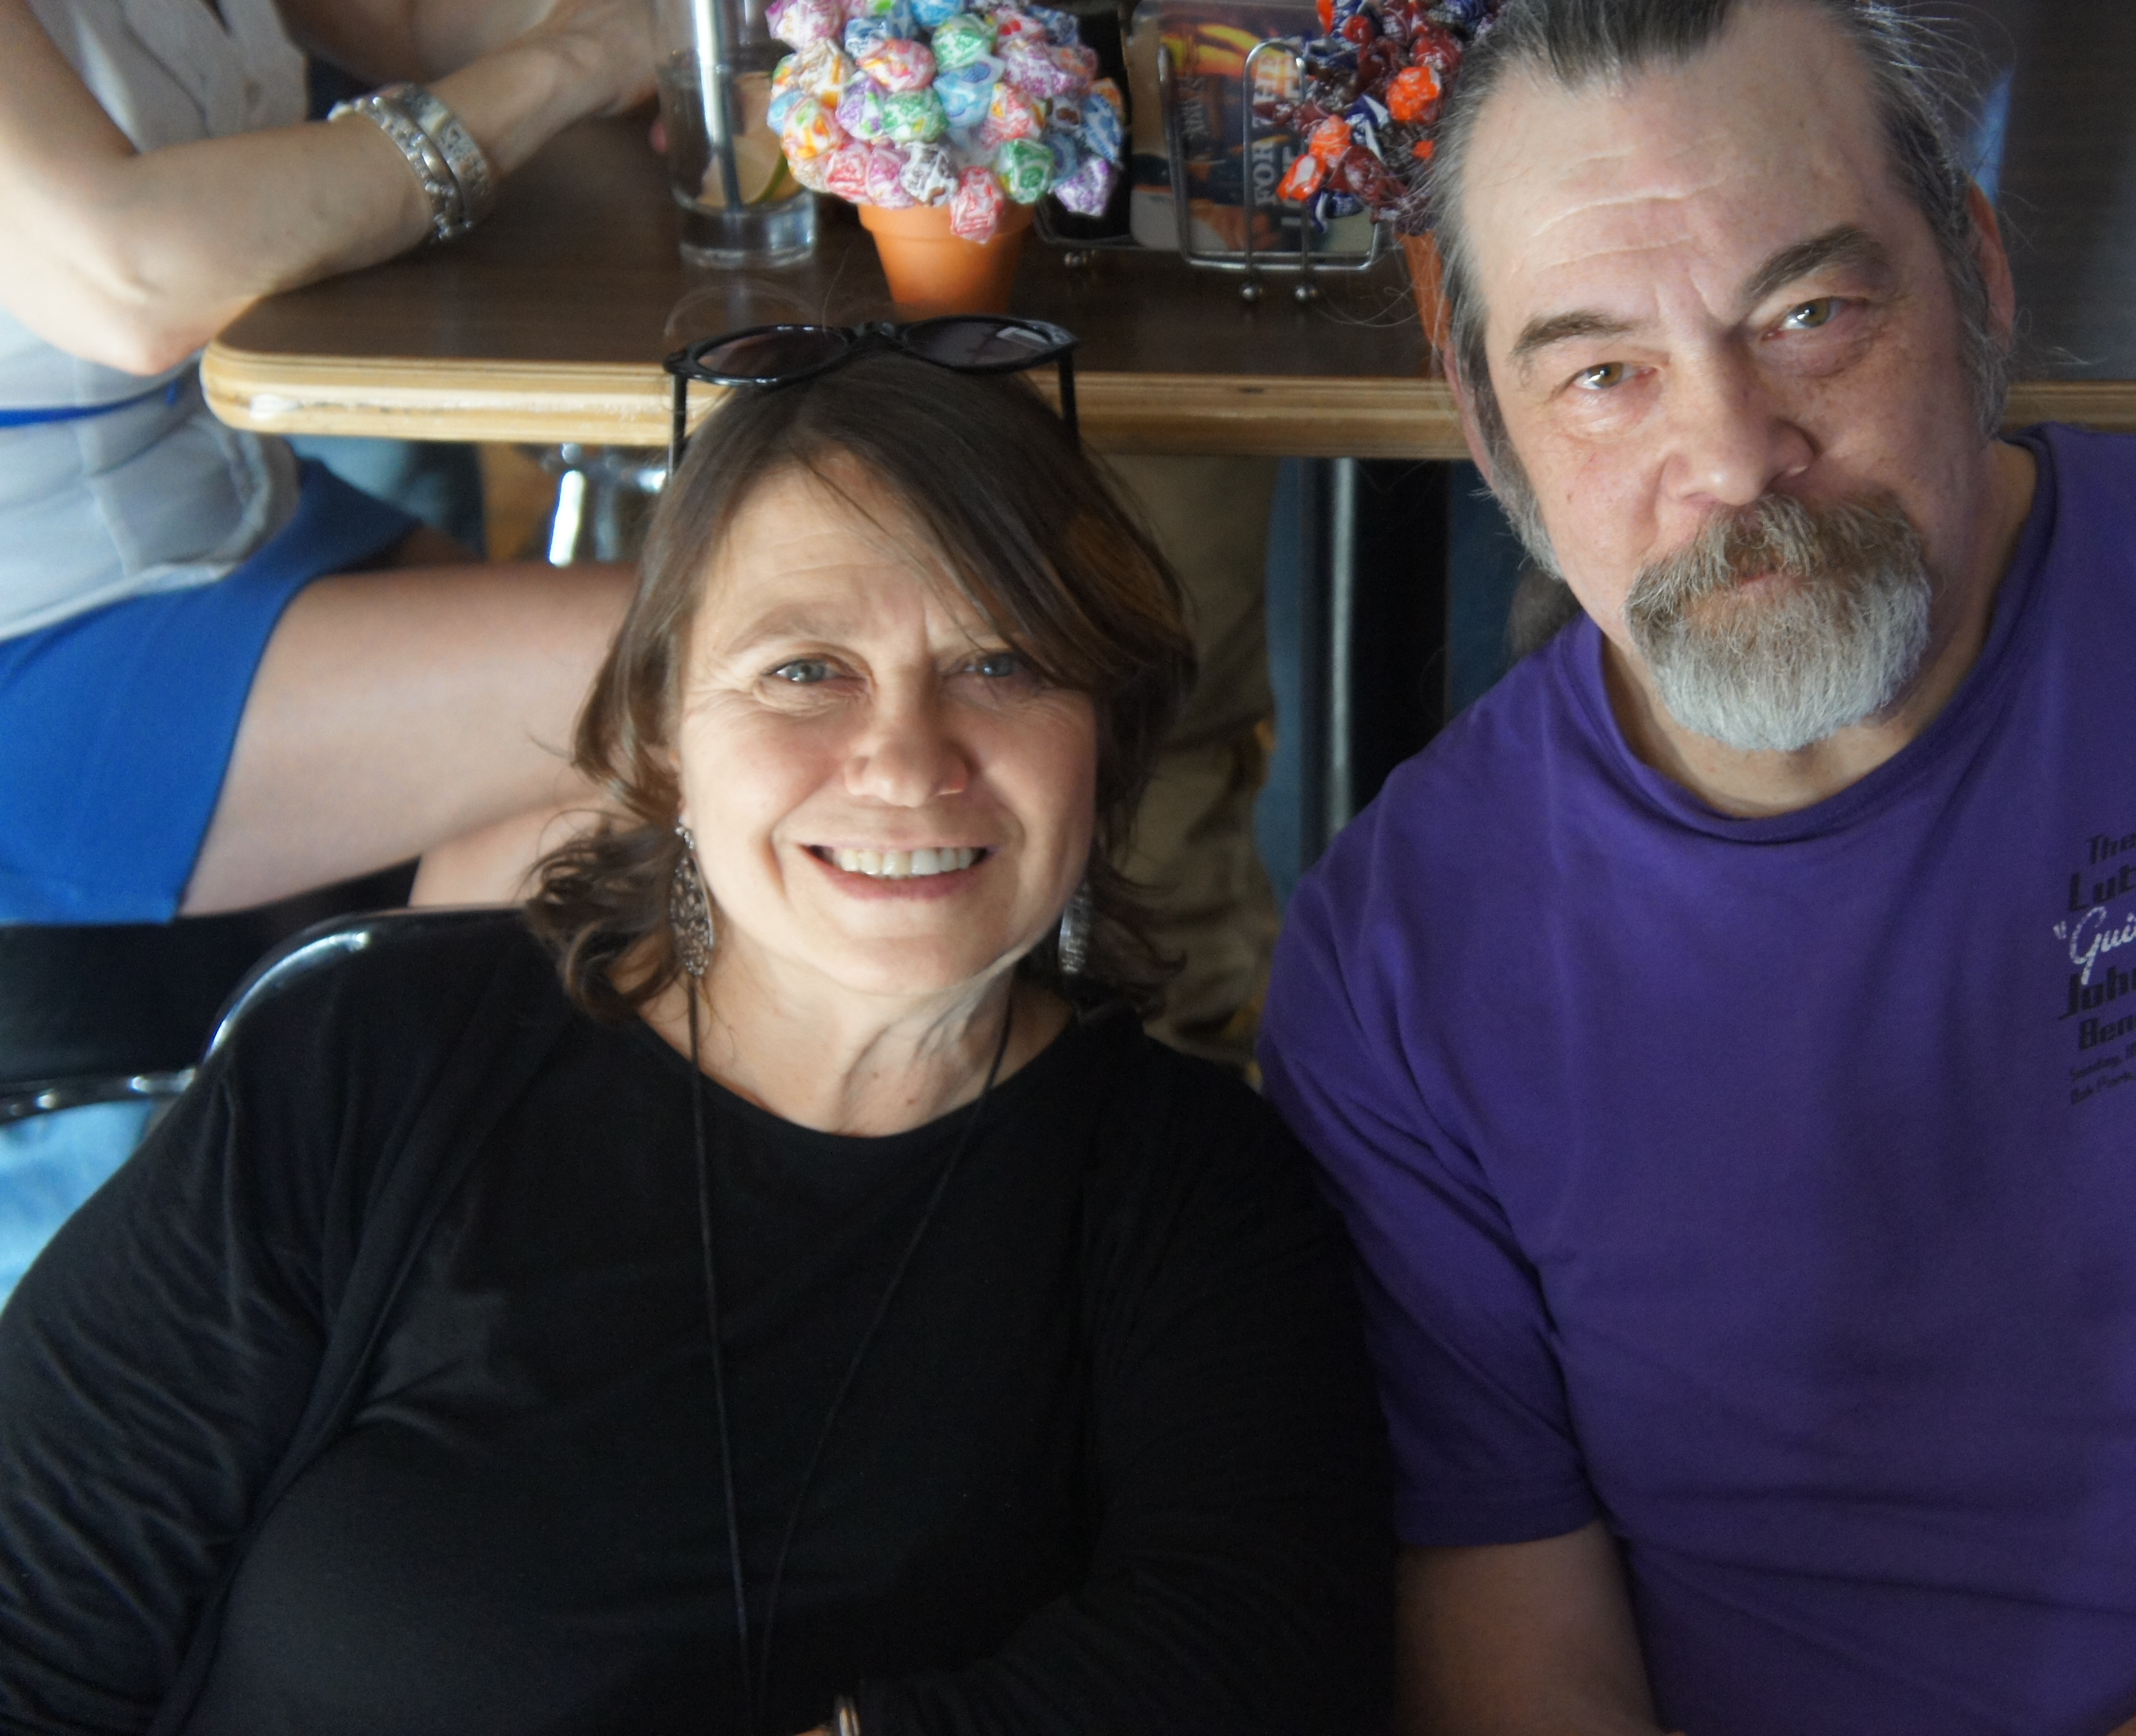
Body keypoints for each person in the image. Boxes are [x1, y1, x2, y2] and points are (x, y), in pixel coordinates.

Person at [1256, 0, 2136, 1731]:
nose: (1733, 458)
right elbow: (1528, 1679)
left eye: (1811, 315)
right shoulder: (1392, 975)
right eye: (1603, 373)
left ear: (1974, 269)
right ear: (1480, 402)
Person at [0, 352, 1394, 1735]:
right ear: (661, 735)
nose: (908, 758)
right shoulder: (365, 1061)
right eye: (806, 670)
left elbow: (1258, 1655)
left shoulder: (1201, 1195)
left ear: (1106, 736)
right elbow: (31, 1625)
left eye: (1002, 662)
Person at [0, 0, 653, 923]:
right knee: (708, 676)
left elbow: (409, 26)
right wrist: (579, 59)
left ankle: (433, 1009)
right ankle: (408, 1019)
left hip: (242, 507)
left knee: (665, 700)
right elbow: (129, 279)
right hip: (43, 631)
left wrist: (694, 33)